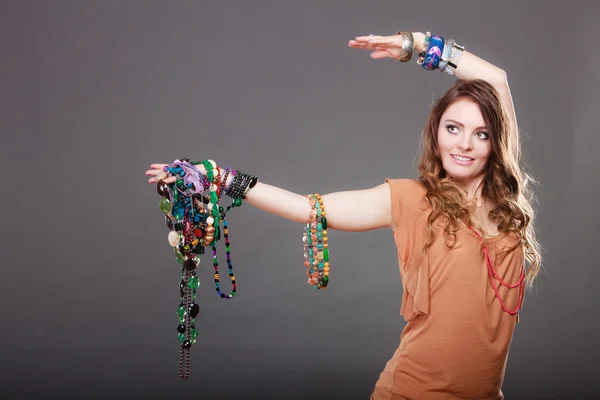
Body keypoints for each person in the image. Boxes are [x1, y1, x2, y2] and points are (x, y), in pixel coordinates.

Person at [145, 31, 542, 399]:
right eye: (453, 128)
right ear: (436, 133)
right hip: (411, 392)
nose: (465, 144)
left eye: (481, 133)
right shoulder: (411, 199)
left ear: (496, 141)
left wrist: (417, 44)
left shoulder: (505, 201)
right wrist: (219, 177)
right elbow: (308, 207)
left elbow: (498, 80)